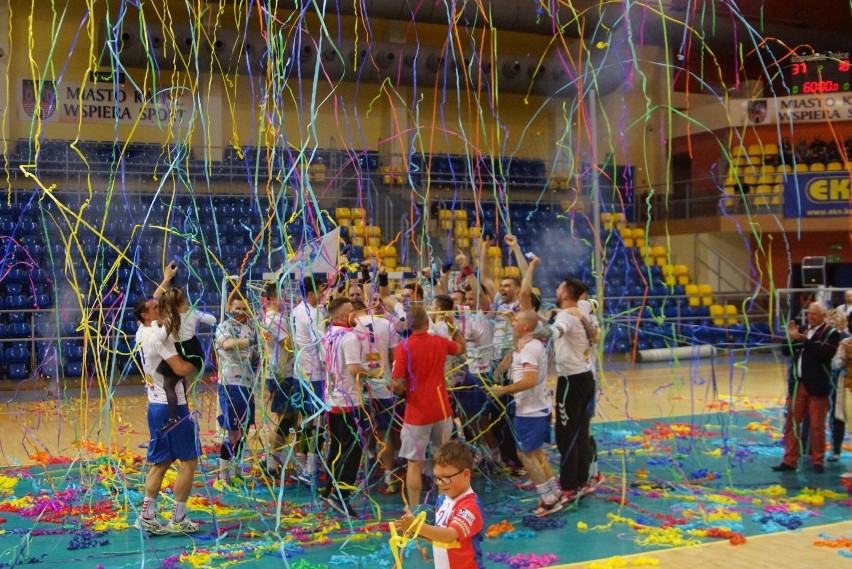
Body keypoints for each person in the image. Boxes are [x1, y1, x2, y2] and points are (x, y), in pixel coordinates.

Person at [133, 297, 201, 534]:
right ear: (146, 315)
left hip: (155, 407)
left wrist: (165, 279)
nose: (160, 305)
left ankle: (147, 515)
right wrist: (198, 360)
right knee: (189, 460)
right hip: (173, 408)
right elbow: (181, 369)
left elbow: (153, 304)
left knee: (160, 462)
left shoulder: (142, 332)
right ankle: (179, 518)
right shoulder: (159, 340)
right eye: (154, 306)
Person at [391, 304, 466, 509]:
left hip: (416, 414)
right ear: (427, 321)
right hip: (442, 411)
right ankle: (444, 507)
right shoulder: (440, 342)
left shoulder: (403, 348)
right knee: (442, 462)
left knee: (414, 464)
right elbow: (462, 348)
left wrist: (404, 393)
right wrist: (452, 327)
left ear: (409, 325)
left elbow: (396, 383)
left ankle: (414, 510)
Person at [491, 310, 563, 517]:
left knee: (525, 454)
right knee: (536, 453)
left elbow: (530, 380)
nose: (512, 323)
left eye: (515, 321)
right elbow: (516, 343)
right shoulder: (525, 343)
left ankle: (548, 499)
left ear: (526, 326)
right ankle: (554, 492)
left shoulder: (530, 348)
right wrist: (509, 319)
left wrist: (503, 390)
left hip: (531, 411)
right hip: (534, 408)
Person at [321, 297, 379, 516]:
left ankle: (328, 490)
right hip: (348, 402)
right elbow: (354, 369)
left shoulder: (328, 334)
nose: (356, 315)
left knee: (337, 448)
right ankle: (340, 496)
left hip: (332, 400)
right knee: (353, 449)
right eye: (352, 312)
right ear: (344, 316)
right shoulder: (350, 337)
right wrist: (375, 373)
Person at [393, 440, 485, 569]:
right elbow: (442, 541)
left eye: (446, 477)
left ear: (465, 474)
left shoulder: (469, 507)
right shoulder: (443, 500)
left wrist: (418, 526)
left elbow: (449, 536)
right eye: (437, 478)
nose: (441, 483)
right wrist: (415, 531)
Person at [773, 302, 840, 474]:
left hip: (817, 387)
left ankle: (818, 461)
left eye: (814, 314)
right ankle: (789, 460)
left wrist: (805, 340)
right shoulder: (802, 329)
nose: (810, 317)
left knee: (817, 426)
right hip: (797, 385)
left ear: (824, 316)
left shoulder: (832, 334)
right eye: (809, 313)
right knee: (791, 423)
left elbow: (823, 354)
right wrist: (789, 337)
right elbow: (786, 352)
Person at [550, 277, 595, 500]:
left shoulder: (566, 315)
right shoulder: (583, 309)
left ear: (566, 294)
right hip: (585, 378)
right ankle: (581, 480)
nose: (556, 289)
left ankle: (568, 485)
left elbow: (557, 331)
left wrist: (535, 330)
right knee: (580, 432)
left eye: (559, 287)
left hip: (570, 382)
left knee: (565, 434)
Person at [351, 299, 402, 492]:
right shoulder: (386, 324)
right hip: (384, 385)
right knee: (384, 432)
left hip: (360, 386)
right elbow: (393, 357)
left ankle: (363, 468)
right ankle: (389, 477)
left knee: (360, 430)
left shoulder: (350, 327)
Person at [152, 280, 217, 429]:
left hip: (180, 351)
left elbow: (161, 337)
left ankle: (174, 416)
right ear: (182, 302)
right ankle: (182, 409)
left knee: (168, 385)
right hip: (193, 350)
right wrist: (198, 321)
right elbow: (212, 320)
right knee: (178, 382)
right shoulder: (192, 313)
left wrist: (155, 324)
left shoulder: (170, 318)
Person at [214, 295, 259, 484]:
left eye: (244, 308)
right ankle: (223, 475)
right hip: (231, 384)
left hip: (247, 385)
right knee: (233, 433)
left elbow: (254, 357)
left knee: (244, 430)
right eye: (237, 308)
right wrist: (251, 343)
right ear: (229, 308)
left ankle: (235, 472)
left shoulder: (250, 329)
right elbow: (227, 344)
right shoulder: (224, 327)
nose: (240, 312)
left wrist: (256, 356)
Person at [291, 275, 328, 484]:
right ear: (312, 292)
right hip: (313, 375)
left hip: (300, 373)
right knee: (317, 420)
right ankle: (310, 466)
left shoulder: (297, 310)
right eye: (322, 291)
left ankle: (303, 461)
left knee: (304, 419)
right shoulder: (312, 313)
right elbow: (321, 344)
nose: (324, 295)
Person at [261, 281, 298, 478]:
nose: (286, 299)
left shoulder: (276, 317)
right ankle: (271, 460)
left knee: (290, 418)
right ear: (273, 298)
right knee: (285, 418)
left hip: (283, 372)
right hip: (281, 373)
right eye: (283, 295)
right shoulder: (274, 318)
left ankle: (275, 458)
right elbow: (289, 345)